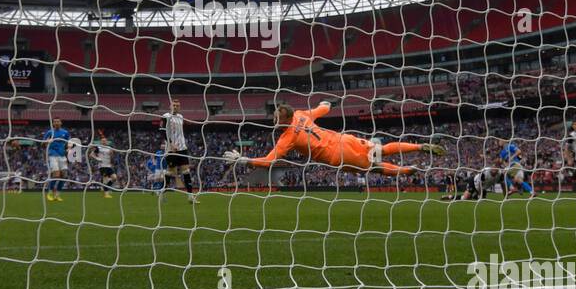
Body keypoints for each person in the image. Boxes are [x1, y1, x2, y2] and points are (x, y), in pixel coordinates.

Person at [225, 101, 443, 175]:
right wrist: (326, 104)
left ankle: (409, 171)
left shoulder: (286, 138)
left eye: (275, 117)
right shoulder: (301, 114)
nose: (273, 119)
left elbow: (269, 162)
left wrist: (242, 160)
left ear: (284, 119)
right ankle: (419, 145)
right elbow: (323, 108)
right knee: (382, 149)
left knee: (375, 168)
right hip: (343, 139)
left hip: (339, 155)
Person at [162, 100, 196, 203]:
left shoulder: (181, 117)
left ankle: (190, 196)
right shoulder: (166, 116)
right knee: (171, 171)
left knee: (186, 171)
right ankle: (162, 193)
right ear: (170, 106)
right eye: (174, 105)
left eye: (177, 105)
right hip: (171, 149)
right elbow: (163, 131)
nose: (175, 107)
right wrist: (171, 144)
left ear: (179, 107)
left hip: (182, 148)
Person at [42, 117, 70, 201]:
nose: (57, 123)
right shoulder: (50, 132)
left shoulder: (65, 132)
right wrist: (47, 142)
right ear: (53, 124)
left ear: (61, 123)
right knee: (56, 175)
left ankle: (57, 195)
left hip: (62, 156)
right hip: (53, 155)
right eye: (55, 122)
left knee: (64, 176)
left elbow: (68, 143)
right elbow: (42, 144)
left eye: (58, 121)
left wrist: (68, 149)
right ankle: (50, 193)